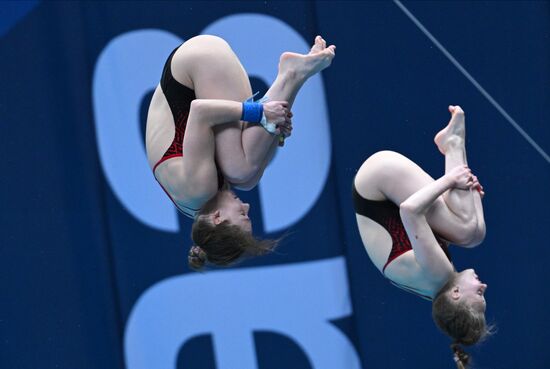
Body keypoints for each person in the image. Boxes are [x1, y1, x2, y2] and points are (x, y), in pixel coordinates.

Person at [146, 35, 336, 270]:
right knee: (248, 177)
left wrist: (258, 113)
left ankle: (292, 75)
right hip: (195, 70)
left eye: (243, 217)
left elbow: (200, 112)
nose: (247, 208)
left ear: (216, 219)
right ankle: (293, 76)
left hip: (200, 61)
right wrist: (275, 130)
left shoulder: (198, 188)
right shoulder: (201, 201)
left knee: (240, 168)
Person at [353, 106, 492, 368]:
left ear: (456, 296)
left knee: (469, 230)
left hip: (378, 179)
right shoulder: (436, 286)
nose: (484, 289)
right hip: (380, 195)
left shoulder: (438, 274)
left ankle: (452, 144)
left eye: (480, 298)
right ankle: (451, 144)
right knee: (468, 228)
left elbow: (409, 211)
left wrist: (450, 180)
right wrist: (460, 202)